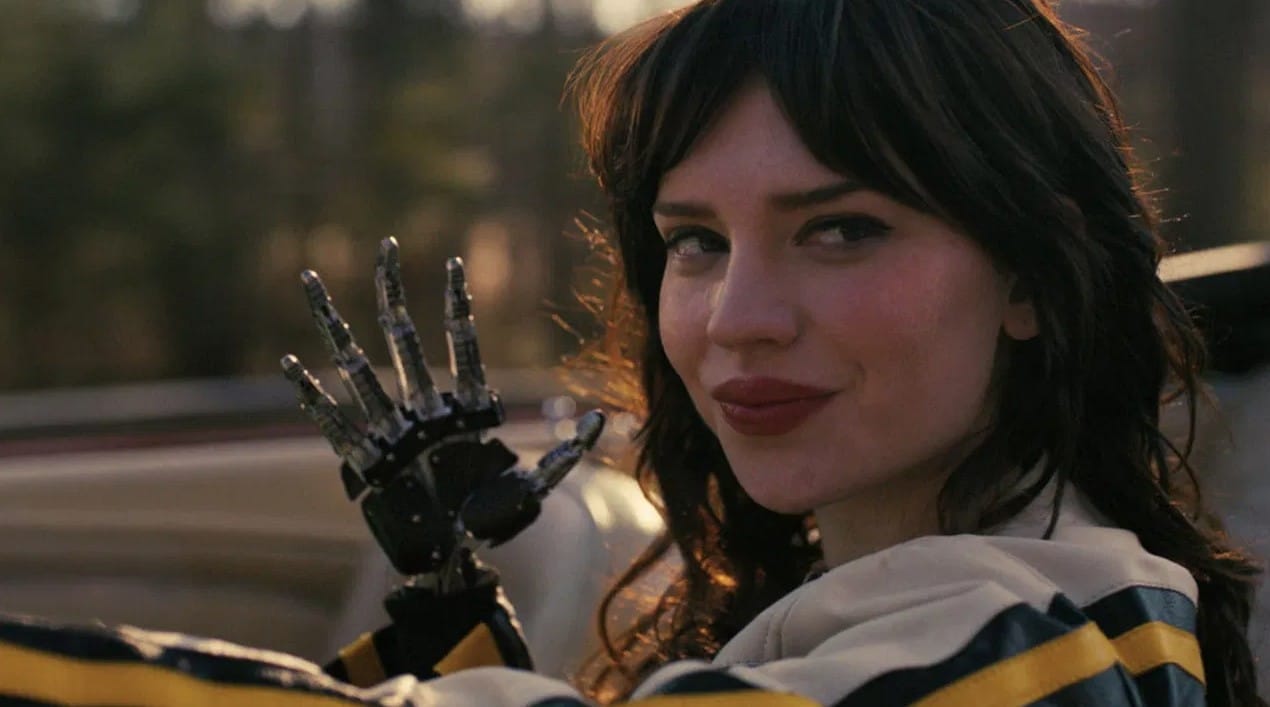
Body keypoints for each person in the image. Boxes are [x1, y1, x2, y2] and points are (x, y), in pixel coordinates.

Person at [0, 0, 1261, 705]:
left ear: (1031, 275)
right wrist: (450, 616)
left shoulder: (1034, 651)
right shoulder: (941, 598)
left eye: (841, 228)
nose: (736, 316)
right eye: (695, 241)